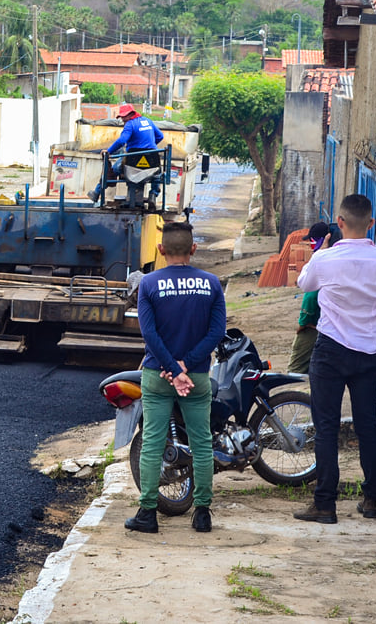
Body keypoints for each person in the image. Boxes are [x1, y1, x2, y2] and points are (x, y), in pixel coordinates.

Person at [294, 194, 376, 524]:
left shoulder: (325, 260)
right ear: (371, 223)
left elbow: (304, 283)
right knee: (368, 427)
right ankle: (372, 499)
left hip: (330, 352)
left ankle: (325, 504)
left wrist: (318, 253)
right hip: (368, 354)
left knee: (326, 427)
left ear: (339, 222)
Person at [126, 220, 227, 534]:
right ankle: (202, 513)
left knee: (153, 443)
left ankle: (147, 513)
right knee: (201, 443)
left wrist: (171, 368)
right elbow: (216, 333)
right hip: (196, 377)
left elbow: (150, 335)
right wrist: (186, 366)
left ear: (160, 249)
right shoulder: (211, 283)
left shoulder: (148, 284)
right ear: (193, 249)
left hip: (158, 375)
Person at [288, 222, 342, 374]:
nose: (311, 244)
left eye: (313, 240)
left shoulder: (321, 261)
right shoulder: (341, 259)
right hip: (334, 327)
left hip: (314, 325)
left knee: (296, 368)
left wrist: (304, 322)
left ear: (326, 239)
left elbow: (310, 295)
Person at [86, 103, 164, 204]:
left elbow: (122, 141)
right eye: (121, 117)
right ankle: (153, 194)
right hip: (152, 159)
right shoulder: (148, 121)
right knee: (157, 173)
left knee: (112, 170)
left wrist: (109, 151)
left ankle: (97, 193)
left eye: (124, 116)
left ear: (131, 114)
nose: (122, 119)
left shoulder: (130, 124)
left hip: (132, 161)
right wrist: (148, 147)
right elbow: (160, 136)